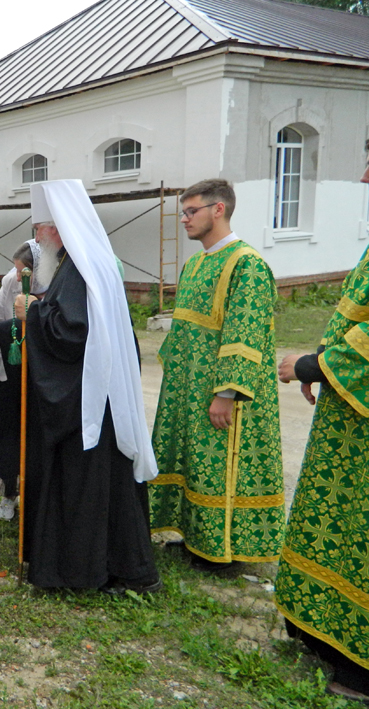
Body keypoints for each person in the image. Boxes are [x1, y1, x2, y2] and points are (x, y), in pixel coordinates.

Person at [0, 179, 159, 593]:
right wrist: (20, 320)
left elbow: (72, 334)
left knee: (92, 484)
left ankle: (90, 569)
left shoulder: (81, 267)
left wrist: (33, 314)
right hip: (93, 394)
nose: (37, 238)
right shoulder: (79, 262)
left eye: (40, 229)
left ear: (60, 227)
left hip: (90, 402)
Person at [272, 150, 369, 703]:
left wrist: (312, 365)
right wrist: (324, 362)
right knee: (336, 525)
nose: (363, 176)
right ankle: (323, 633)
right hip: (349, 419)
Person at [149, 179, 284, 572]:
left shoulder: (246, 264)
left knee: (224, 468)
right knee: (194, 464)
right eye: (184, 212)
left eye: (192, 211)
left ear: (218, 209)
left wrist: (226, 393)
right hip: (189, 389)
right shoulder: (195, 264)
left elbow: (245, 332)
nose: (184, 219)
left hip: (224, 394)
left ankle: (224, 551)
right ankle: (196, 537)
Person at [0, 240, 46, 519]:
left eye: (23, 271)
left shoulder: (53, 287)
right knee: (7, 433)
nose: (17, 277)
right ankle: (9, 494)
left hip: (39, 374)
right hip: (8, 367)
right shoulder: (8, 281)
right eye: (15, 270)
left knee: (33, 436)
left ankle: (35, 495)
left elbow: (47, 326)